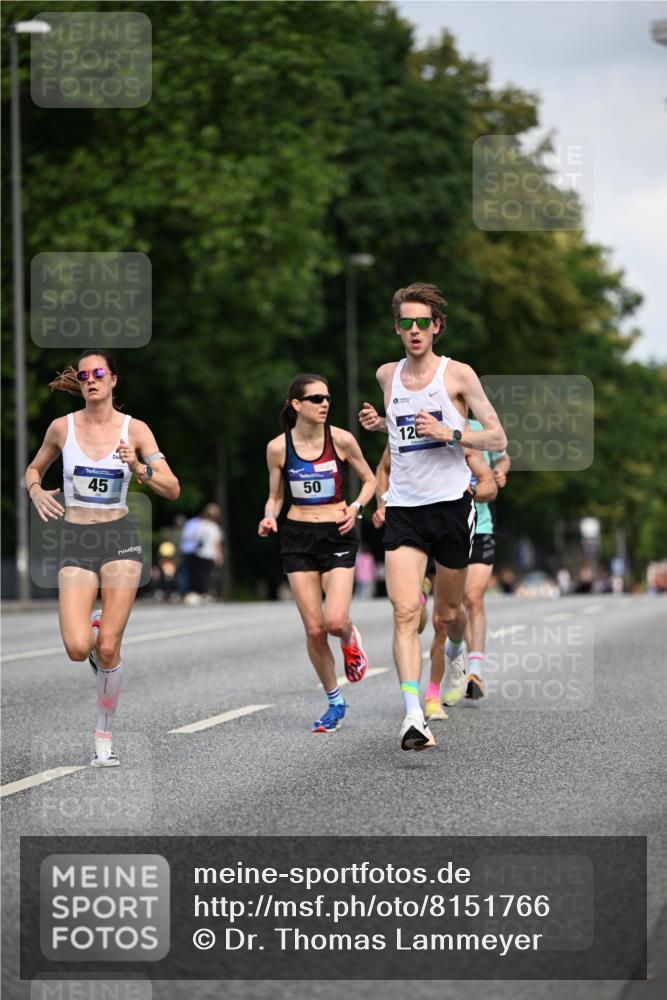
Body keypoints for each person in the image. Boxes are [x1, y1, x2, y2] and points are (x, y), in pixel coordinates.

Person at [359, 282, 506, 751]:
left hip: (450, 508)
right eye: (407, 323)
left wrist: (452, 431)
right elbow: (403, 431)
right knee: (405, 612)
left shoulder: (458, 375)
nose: (415, 330)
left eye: (424, 322)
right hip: (404, 508)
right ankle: (411, 716)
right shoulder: (387, 375)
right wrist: (382, 425)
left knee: (448, 615)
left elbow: (498, 438)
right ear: (396, 328)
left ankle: (459, 653)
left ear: (437, 326)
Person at [25, 351, 180, 766]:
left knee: (109, 647)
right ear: (79, 383)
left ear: (113, 380)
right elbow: (34, 469)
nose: (91, 379)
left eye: (99, 373)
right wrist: (37, 491)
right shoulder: (62, 428)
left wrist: (141, 470)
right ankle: (93, 634)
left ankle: (103, 737)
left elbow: (173, 488)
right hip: (76, 539)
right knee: (79, 648)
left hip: (119, 537)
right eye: (84, 375)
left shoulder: (136, 430)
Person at [258, 373, 376, 733]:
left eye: (327, 397)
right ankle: (334, 702)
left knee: (335, 621)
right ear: (297, 405)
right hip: (297, 535)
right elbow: (276, 496)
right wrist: (268, 516)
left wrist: (355, 508)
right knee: (313, 630)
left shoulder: (340, 439)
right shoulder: (278, 448)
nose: (325, 403)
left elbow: (370, 480)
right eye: (316, 398)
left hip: (336, 534)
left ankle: (350, 638)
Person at [372, 441, 499, 722]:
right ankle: (415, 712)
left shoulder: (461, 430)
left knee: (446, 617)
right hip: (411, 520)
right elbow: (384, 466)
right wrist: (382, 502)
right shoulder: (402, 423)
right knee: (407, 615)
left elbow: (496, 469)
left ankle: (439, 682)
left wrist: (476, 489)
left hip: (454, 523)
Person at [425, 419, 509, 719]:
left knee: (472, 598)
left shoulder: (477, 426)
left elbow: (501, 453)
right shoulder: (425, 420)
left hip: (479, 525)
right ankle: (449, 664)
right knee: (447, 612)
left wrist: (500, 471)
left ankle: (474, 671)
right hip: (440, 527)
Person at [181, 503, 224, 601]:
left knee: (199, 575)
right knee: (208, 575)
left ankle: (198, 593)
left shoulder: (200, 524)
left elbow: (194, 538)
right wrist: (219, 556)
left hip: (199, 553)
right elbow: (216, 543)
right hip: (209, 554)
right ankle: (206, 593)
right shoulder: (214, 527)